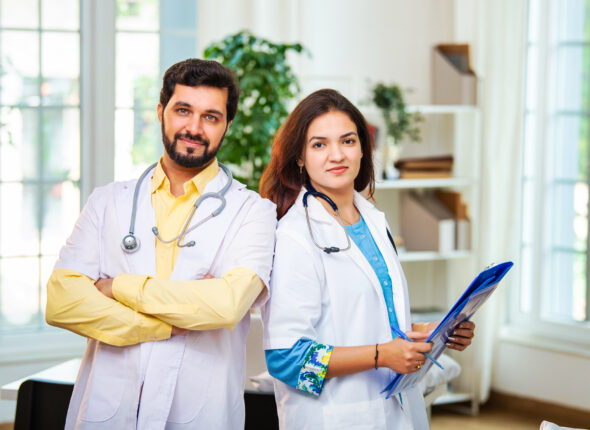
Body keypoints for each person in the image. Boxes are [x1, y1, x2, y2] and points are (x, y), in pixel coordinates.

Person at [46, 59, 277, 429]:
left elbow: (226, 305)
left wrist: (115, 286)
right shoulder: (108, 202)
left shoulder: (253, 212)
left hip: (200, 413)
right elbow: (61, 301)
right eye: (183, 110)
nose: (194, 127)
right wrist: (167, 324)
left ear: (227, 126)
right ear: (160, 112)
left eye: (211, 117)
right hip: (107, 410)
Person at [259, 89, 475, 429]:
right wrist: (380, 355)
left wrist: (432, 332)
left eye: (347, 141)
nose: (336, 155)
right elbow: (287, 359)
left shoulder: (374, 221)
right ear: (300, 157)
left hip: (398, 408)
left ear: (362, 148)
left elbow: (372, 318)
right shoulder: (294, 236)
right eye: (319, 144)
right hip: (336, 416)